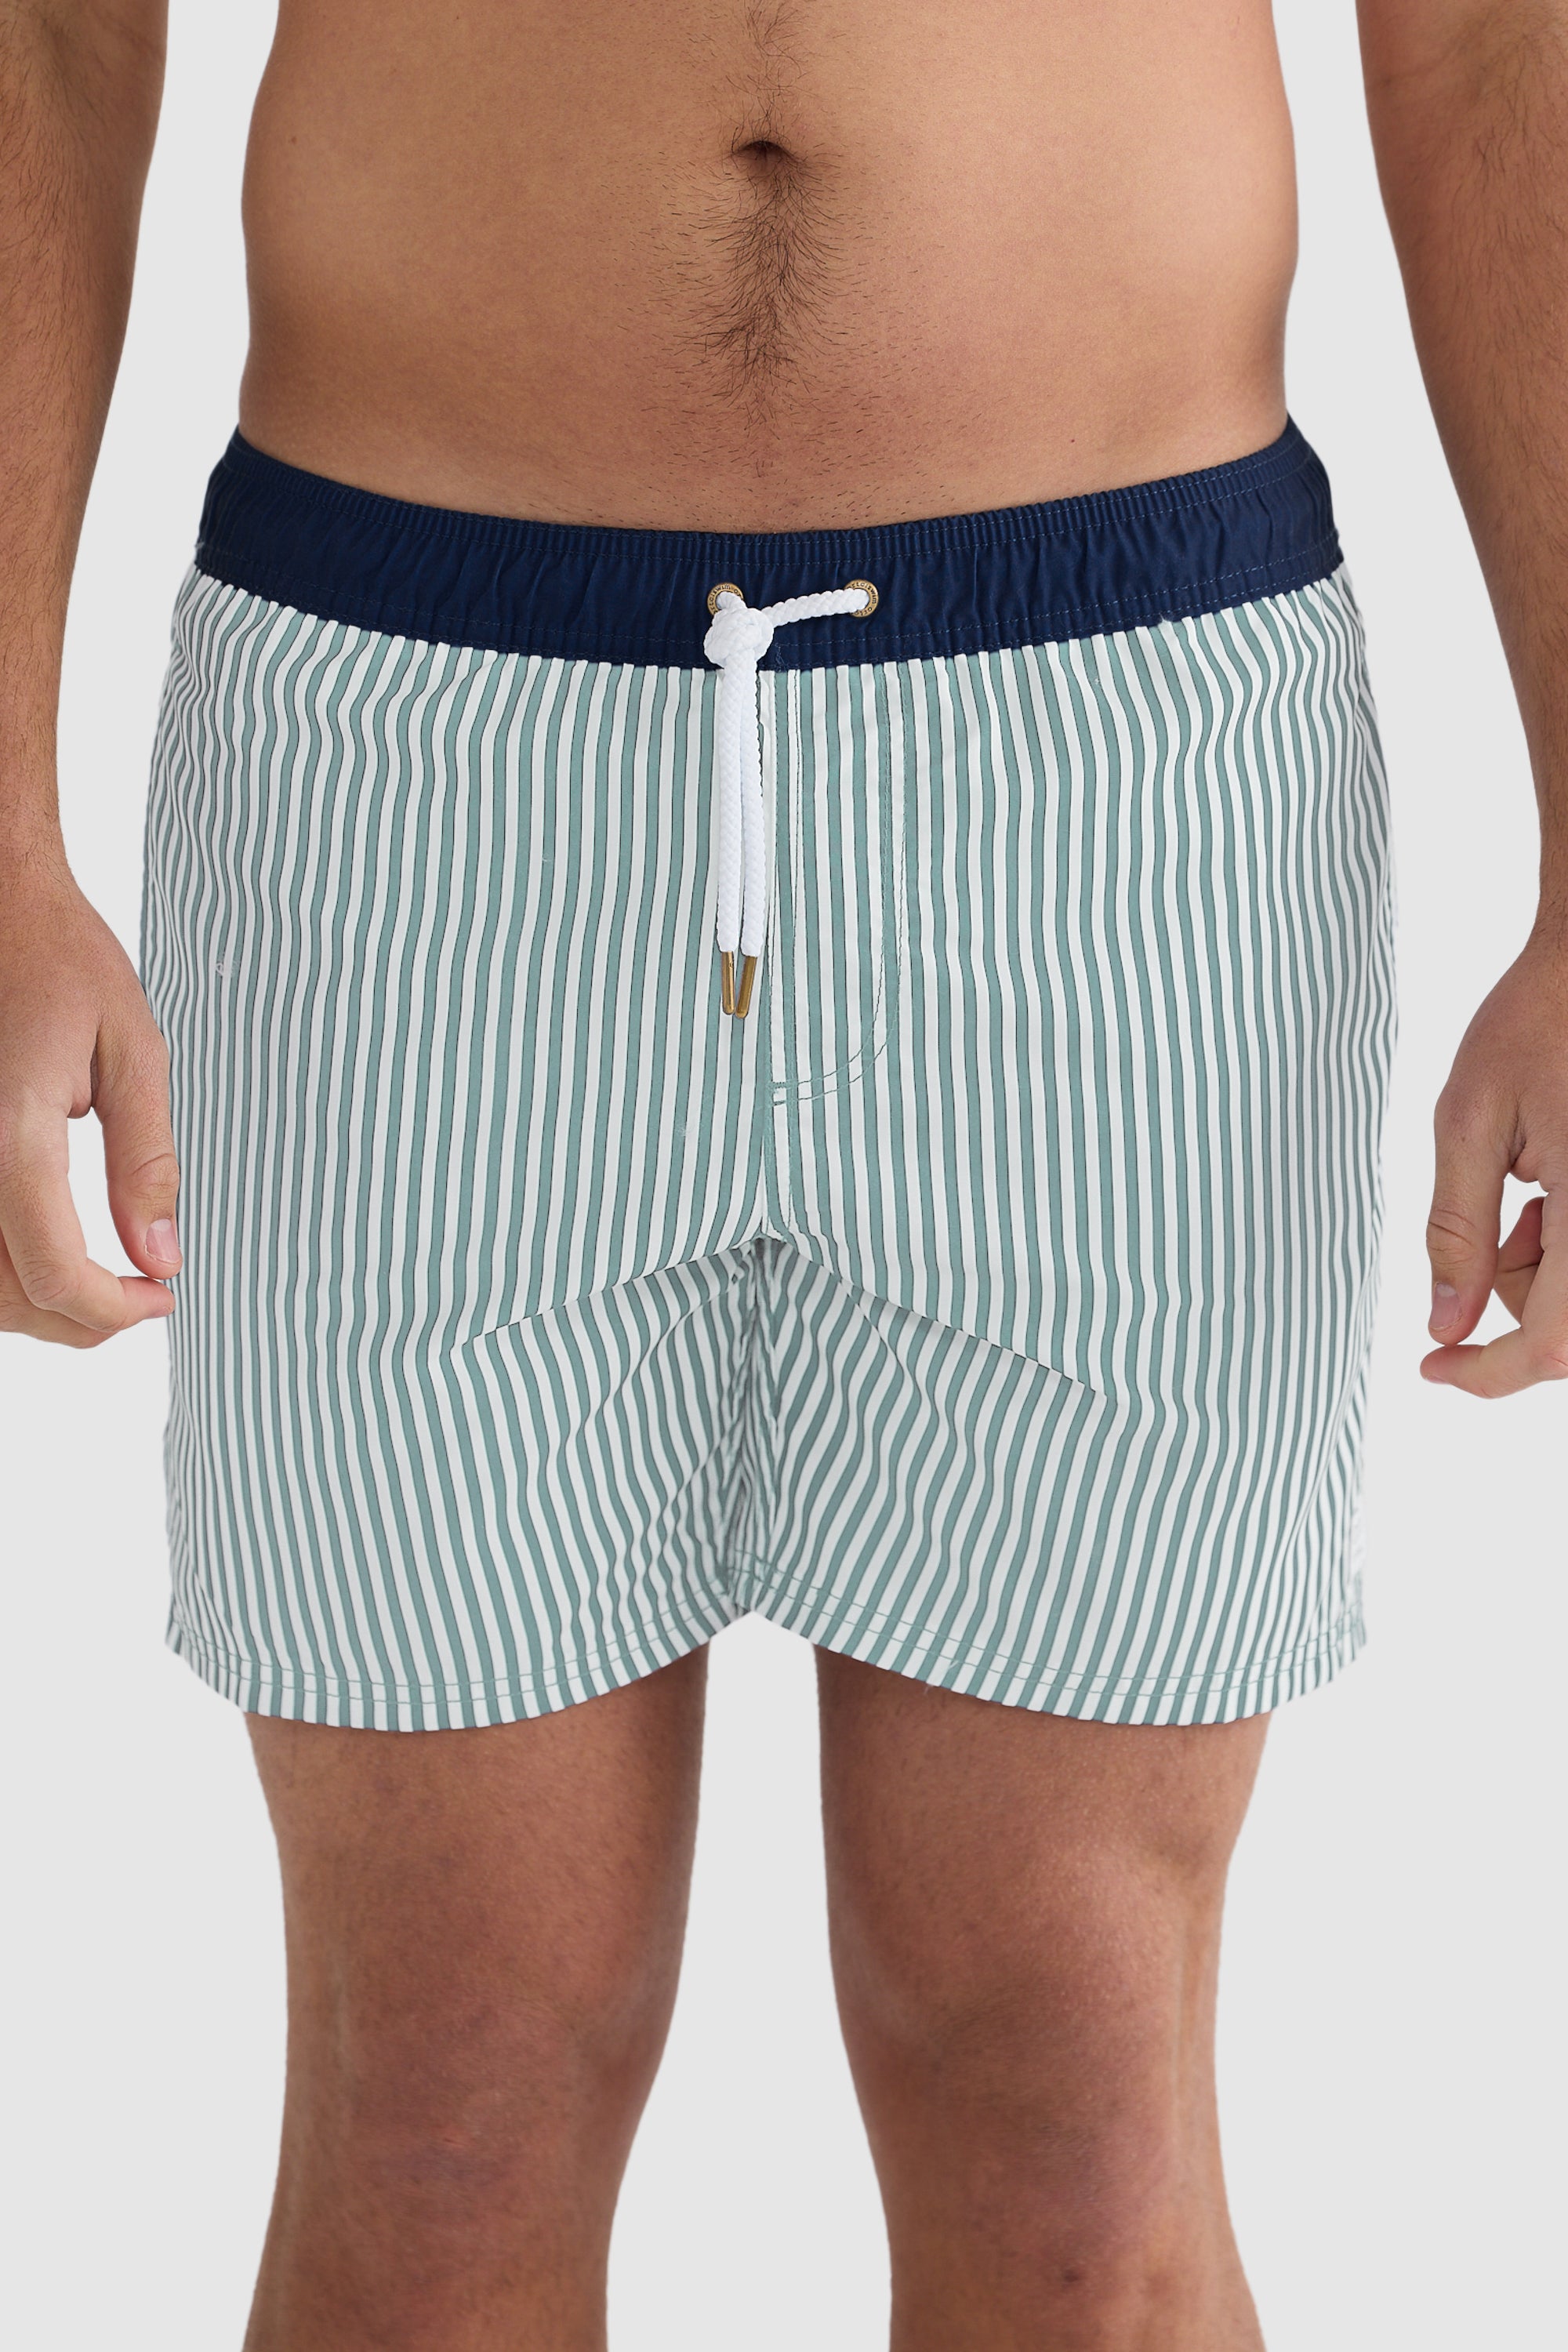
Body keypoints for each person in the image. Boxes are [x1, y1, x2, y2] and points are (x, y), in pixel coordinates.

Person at [2, 1, 1565, 2344]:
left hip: (1116, 770)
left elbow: (1496, 44)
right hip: (407, 764)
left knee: (1075, 2126)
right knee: (437, 2120)